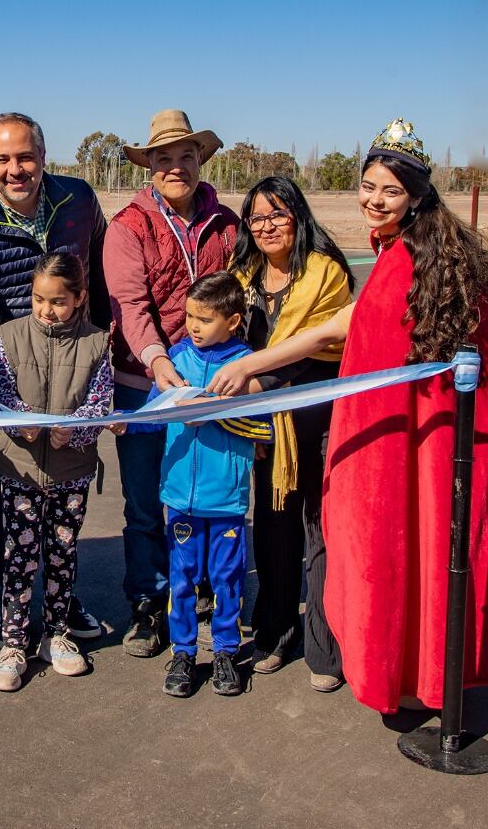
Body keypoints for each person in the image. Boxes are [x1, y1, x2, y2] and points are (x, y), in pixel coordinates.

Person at [217, 119, 488, 714]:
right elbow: (354, 327)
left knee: (411, 539)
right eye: (367, 187)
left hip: (447, 434)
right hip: (453, 427)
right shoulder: (415, 252)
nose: (374, 201)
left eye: (390, 192)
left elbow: (349, 329)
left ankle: (423, 671)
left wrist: (260, 360)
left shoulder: (412, 257)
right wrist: (260, 359)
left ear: (416, 197)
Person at [0, 113, 108, 641]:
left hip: (76, 369)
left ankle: (62, 598)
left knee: (67, 486)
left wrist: (107, 352)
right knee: (7, 484)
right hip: (9, 375)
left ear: (43, 153)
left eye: (25, 156)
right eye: (2, 159)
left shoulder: (80, 200)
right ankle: (11, 597)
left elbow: (102, 278)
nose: (15, 170)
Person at [210, 176, 355, 692]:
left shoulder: (326, 274)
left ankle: (326, 644)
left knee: (319, 534)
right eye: (257, 217)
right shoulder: (242, 274)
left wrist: (257, 375)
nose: (268, 226)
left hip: (318, 420)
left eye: (278, 214)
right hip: (265, 429)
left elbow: (323, 351)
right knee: (272, 531)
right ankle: (275, 630)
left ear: (299, 216)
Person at [104, 110, 239, 656]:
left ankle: (204, 594)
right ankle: (148, 604)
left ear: (200, 160)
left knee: (206, 497)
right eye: (164, 157)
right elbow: (130, 307)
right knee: (144, 504)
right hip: (144, 383)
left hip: (212, 387)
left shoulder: (227, 223)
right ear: (150, 165)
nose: (176, 166)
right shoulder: (127, 227)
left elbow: (241, 295)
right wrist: (159, 363)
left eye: (186, 156)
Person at [136, 272, 270, 700]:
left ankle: (228, 652)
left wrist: (214, 412)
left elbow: (262, 427)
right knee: (182, 580)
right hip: (179, 499)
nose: (192, 325)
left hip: (227, 499)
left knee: (227, 578)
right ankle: (184, 653)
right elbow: (154, 410)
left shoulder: (247, 365)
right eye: (189, 316)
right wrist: (128, 424)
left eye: (204, 319)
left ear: (232, 321)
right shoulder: (176, 358)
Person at [0, 254, 115, 691]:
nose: (46, 310)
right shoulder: (9, 335)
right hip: (19, 470)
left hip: (71, 473)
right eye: (39, 299)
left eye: (58, 301)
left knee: (62, 552)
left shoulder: (98, 343)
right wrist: (19, 421)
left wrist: (75, 432)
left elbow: (100, 403)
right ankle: (14, 641)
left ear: (79, 299)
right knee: (19, 558)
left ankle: (57, 635)